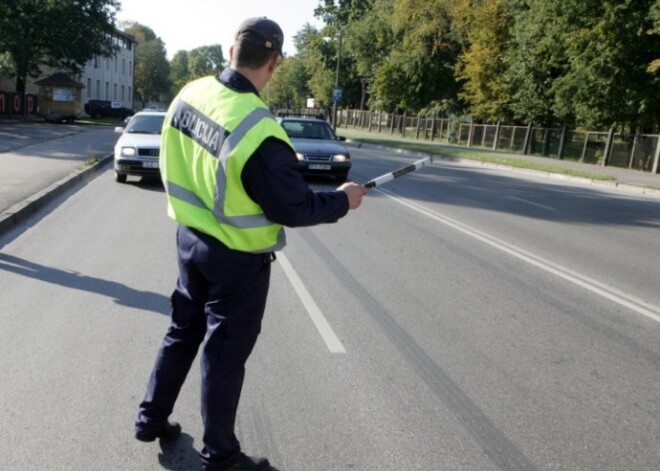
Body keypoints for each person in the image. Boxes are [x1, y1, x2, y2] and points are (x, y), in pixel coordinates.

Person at [134, 16, 368, 471]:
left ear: (230, 53)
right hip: (236, 259)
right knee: (223, 356)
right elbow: (294, 207)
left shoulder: (190, 94)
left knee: (182, 330)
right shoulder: (259, 130)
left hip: (189, 239)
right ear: (275, 63)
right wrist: (342, 201)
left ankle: (150, 417)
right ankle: (220, 455)